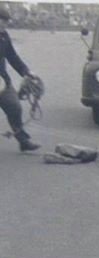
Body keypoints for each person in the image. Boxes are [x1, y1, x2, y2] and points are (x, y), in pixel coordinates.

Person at [0, 6, 40, 152]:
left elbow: (12, 57)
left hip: (2, 82)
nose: (4, 25)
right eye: (2, 21)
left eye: (6, 22)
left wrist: (26, 72)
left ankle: (23, 141)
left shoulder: (4, 36)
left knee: (15, 107)